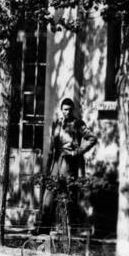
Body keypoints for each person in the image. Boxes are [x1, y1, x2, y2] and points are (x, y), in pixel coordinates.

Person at [38, 97, 97, 232]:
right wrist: (48, 166)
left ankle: (68, 230)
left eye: (70, 110)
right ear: (61, 110)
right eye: (65, 110)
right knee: (49, 193)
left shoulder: (78, 124)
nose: (67, 112)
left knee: (66, 194)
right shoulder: (57, 123)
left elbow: (92, 138)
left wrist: (77, 152)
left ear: (73, 110)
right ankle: (43, 228)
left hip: (69, 162)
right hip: (56, 161)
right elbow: (53, 146)